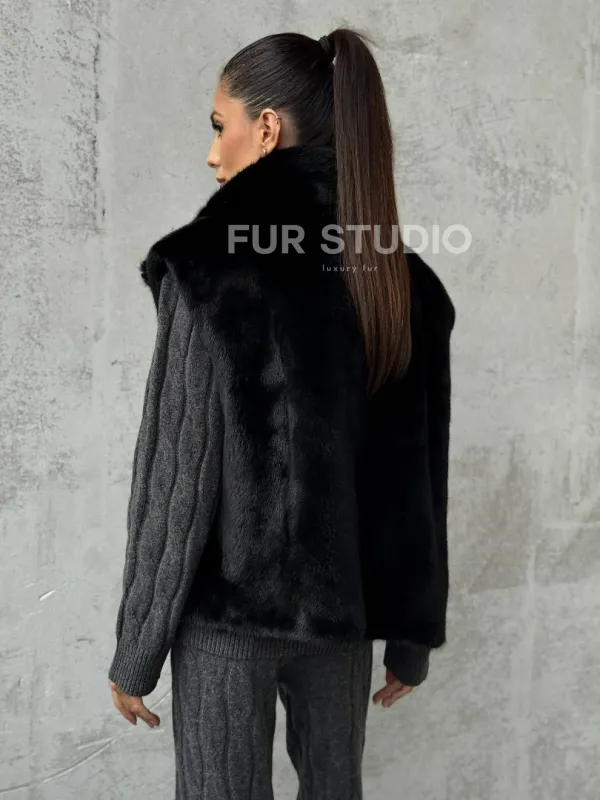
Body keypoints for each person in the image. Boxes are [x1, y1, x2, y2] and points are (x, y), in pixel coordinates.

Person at [108, 26, 456, 800]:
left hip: (227, 622)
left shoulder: (206, 265)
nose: (212, 154)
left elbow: (177, 474)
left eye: (219, 126)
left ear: (266, 128)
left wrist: (137, 648)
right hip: (341, 623)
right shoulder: (400, 279)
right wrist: (411, 637)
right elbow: (415, 475)